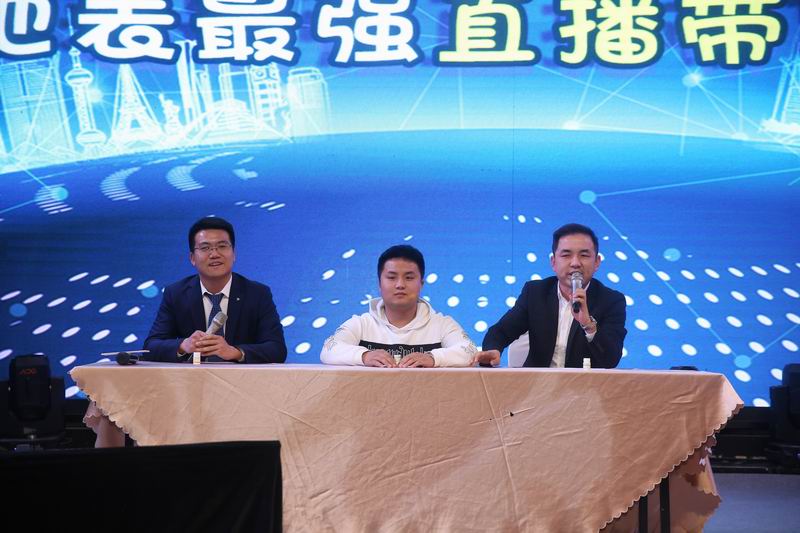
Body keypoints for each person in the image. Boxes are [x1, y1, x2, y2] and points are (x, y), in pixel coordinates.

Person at [472, 223, 626, 368]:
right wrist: (493, 349)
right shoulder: (535, 293)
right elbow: (501, 331)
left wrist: (588, 324)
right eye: (566, 255)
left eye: (584, 255)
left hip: (585, 385)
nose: (575, 263)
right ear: (553, 262)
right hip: (537, 384)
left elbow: (611, 359)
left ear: (597, 262)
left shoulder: (611, 301)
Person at [143, 216, 287, 363]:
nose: (215, 254)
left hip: (241, 377)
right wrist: (183, 346)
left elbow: (277, 349)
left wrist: (235, 352)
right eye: (205, 248)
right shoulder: (176, 294)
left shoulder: (257, 294)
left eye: (222, 246)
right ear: (192, 258)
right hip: (193, 376)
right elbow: (150, 347)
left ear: (234, 254)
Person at [320, 245, 476, 368]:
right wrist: (364, 356)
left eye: (409, 278)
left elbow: (470, 351)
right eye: (391, 277)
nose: (400, 285)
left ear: (421, 284)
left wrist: (433, 358)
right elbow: (328, 349)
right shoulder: (361, 324)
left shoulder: (443, 324)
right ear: (379, 284)